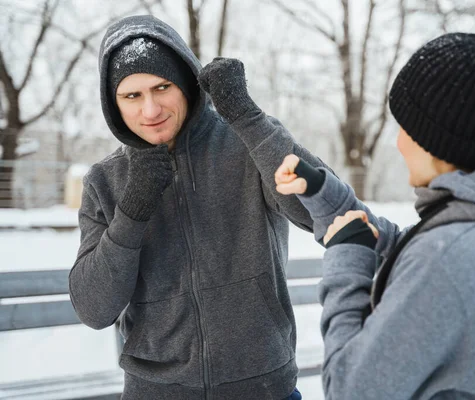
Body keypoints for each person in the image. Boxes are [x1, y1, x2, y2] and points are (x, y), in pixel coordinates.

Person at [273, 33, 475, 399]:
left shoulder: (449, 256)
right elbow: (412, 249)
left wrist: (348, 259)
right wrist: (325, 194)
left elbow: (349, 389)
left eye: (407, 128)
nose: (399, 142)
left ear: (442, 141)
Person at [69, 14, 326, 400]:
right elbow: (93, 308)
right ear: (114, 104)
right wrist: (132, 212)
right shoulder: (105, 182)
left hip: (264, 388)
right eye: (132, 95)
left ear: (187, 84)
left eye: (162, 87)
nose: (151, 109)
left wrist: (247, 117)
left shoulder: (248, 142)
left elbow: (324, 210)